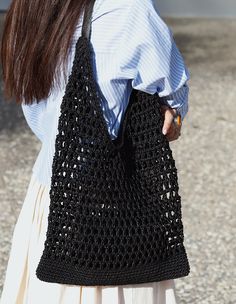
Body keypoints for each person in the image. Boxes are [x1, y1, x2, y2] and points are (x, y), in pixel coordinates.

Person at [0, 0, 190, 303]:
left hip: (47, 197)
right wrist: (173, 114)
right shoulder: (129, 9)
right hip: (111, 211)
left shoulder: (30, 8)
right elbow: (172, 94)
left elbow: (39, 114)